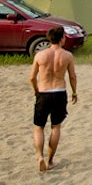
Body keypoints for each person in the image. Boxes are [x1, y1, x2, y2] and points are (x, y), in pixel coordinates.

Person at [29, 26, 78, 173]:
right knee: (55, 127)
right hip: (59, 92)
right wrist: (74, 92)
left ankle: (40, 156)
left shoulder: (40, 55)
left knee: (39, 127)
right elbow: (72, 76)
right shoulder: (67, 55)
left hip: (43, 92)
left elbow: (32, 77)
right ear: (61, 38)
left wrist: (35, 89)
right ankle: (49, 160)